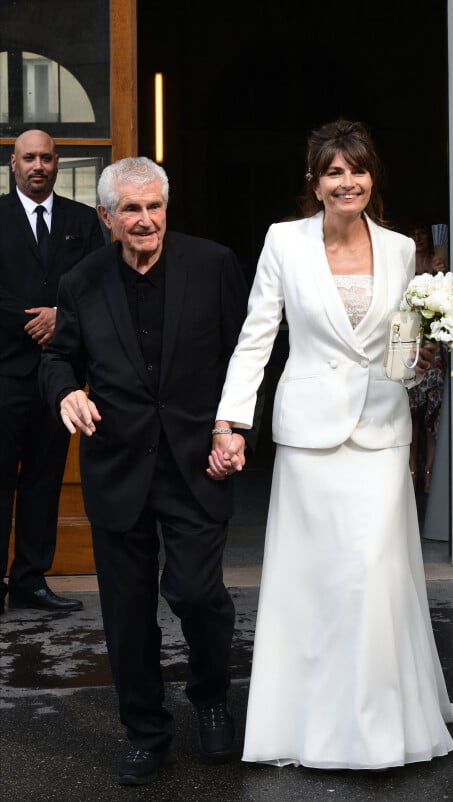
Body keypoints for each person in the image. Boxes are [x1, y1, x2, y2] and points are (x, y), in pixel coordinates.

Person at [207, 119, 453, 770]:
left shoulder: (401, 249)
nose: (348, 182)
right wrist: (230, 422)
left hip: (378, 429)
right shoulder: (283, 243)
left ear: (372, 178)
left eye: (359, 170)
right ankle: (305, 725)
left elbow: (403, 339)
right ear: (314, 182)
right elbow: (257, 335)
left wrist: (433, 346)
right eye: (334, 171)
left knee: (372, 577)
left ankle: (378, 730)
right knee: (316, 582)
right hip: (310, 434)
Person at [39, 157, 258, 786]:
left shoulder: (213, 265)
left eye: (154, 206)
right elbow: (60, 356)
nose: (145, 220)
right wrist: (66, 393)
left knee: (195, 592)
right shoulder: (82, 280)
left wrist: (234, 429)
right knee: (127, 612)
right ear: (107, 217)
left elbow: (246, 355)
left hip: (197, 462)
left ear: (167, 208)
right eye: (130, 210)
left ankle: (211, 695)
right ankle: (145, 729)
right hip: (117, 466)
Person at [0, 129, 106, 614]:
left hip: (55, 376)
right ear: (13, 163)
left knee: (42, 481)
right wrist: (35, 318)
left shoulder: (82, 221)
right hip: (4, 372)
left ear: (57, 162)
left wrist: (61, 317)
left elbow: (99, 286)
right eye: (28, 158)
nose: (37, 165)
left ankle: (30, 580)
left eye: (45, 157)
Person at [405, 222, 448, 494]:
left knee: (431, 417)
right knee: (409, 416)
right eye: (414, 232)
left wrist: (441, 272)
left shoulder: (438, 260)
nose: (418, 237)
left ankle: (431, 474)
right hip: (408, 343)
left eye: (422, 233)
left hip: (433, 343)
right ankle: (411, 472)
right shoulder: (402, 262)